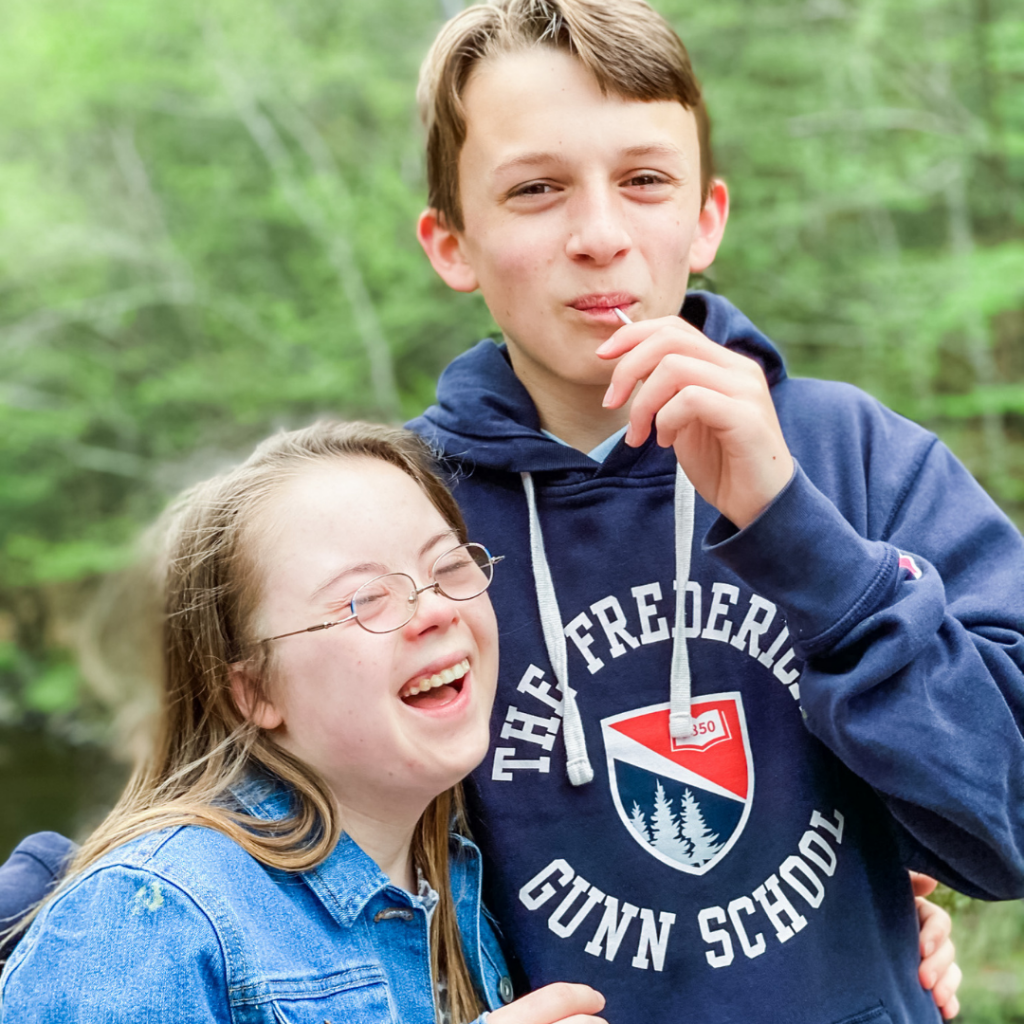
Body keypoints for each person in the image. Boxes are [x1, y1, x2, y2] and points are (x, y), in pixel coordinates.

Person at [408, 0, 1024, 1020]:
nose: (599, 235)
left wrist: (797, 530)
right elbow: (293, 857)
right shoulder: (399, 512)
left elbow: (1006, 823)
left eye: (644, 181)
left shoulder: (856, 456)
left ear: (706, 218)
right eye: (535, 190)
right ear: (451, 244)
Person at [0, 421, 607, 1024]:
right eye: (364, 598)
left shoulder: (459, 874)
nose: (439, 610)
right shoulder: (151, 920)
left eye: (448, 568)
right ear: (255, 688)